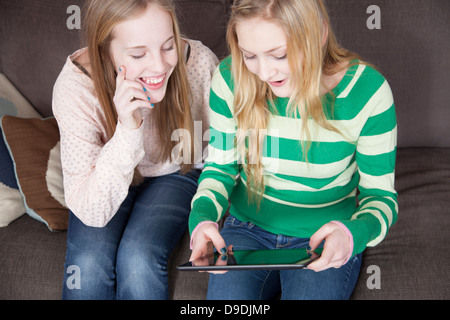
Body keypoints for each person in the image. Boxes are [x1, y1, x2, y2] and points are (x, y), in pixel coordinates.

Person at [189, 0, 398, 300]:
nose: (263, 72)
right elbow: (220, 168)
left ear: (319, 34)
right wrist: (202, 219)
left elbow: (380, 197)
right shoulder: (229, 79)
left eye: (280, 55)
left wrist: (353, 234)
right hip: (247, 228)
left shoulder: (367, 94)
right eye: (250, 55)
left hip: (323, 234)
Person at [52, 0, 218, 300]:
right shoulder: (74, 89)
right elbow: (94, 212)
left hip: (174, 172)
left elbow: (226, 150)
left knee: (138, 259)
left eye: (169, 45)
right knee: (87, 267)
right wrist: (129, 130)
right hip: (103, 176)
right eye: (139, 54)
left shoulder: (199, 63)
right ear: (105, 49)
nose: (159, 65)